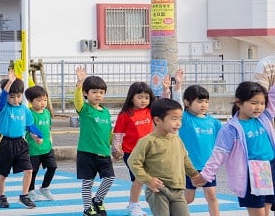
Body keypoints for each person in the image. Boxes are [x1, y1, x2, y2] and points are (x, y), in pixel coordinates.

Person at [193, 81, 275, 216]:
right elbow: (218, 155)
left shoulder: (264, 117)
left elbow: (273, 96)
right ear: (239, 102)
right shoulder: (231, 129)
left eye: (262, 103)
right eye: (254, 103)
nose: (259, 107)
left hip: (270, 168)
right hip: (252, 173)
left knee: (266, 211)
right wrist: (206, 175)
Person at [127, 98, 200, 216]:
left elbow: (184, 159)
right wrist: (148, 180)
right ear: (157, 120)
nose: (178, 123)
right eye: (173, 119)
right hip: (158, 190)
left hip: (178, 190)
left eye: (180, 119)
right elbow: (133, 162)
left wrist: (194, 174)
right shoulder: (148, 141)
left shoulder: (177, 139)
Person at [163, 70, 221, 216]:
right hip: (189, 167)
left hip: (208, 167)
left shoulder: (213, 122)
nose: (204, 105)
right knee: (188, 198)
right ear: (188, 103)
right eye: (200, 101)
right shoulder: (185, 119)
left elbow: (224, 141)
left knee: (212, 196)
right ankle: (168, 211)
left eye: (206, 101)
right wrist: (178, 86)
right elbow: (176, 106)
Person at [0, 70, 42, 209]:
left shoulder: (25, 109)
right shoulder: (2, 107)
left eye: (18, 96)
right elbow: (3, 98)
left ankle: (24, 195)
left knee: (28, 170)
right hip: (5, 142)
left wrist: (36, 137)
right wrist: (9, 82)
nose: (15, 100)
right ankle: (1, 196)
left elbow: (30, 126)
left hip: (20, 143)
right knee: (3, 173)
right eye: (12, 97)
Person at [74, 66, 115, 216]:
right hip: (86, 153)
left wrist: (116, 146)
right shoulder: (84, 109)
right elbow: (77, 101)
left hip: (104, 152)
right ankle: (87, 208)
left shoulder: (105, 112)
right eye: (94, 92)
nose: (98, 95)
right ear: (86, 93)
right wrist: (79, 84)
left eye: (101, 92)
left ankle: (97, 200)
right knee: (87, 183)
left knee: (110, 178)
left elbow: (109, 132)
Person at [111, 82, 155, 216]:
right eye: (140, 97)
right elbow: (118, 133)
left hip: (150, 151)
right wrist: (116, 149)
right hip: (131, 152)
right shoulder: (125, 114)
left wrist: (166, 90)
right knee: (139, 178)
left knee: (150, 179)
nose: (143, 100)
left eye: (146, 97)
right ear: (131, 98)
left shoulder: (151, 111)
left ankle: (153, 203)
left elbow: (164, 105)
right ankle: (133, 205)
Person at [24, 85, 57, 201]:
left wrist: (50, 140)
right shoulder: (29, 114)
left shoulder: (47, 112)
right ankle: (30, 191)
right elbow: (30, 129)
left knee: (53, 167)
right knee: (33, 171)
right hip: (33, 149)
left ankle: (44, 187)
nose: (43, 103)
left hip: (47, 147)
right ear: (30, 101)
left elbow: (49, 128)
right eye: (39, 100)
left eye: (45, 100)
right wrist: (36, 138)